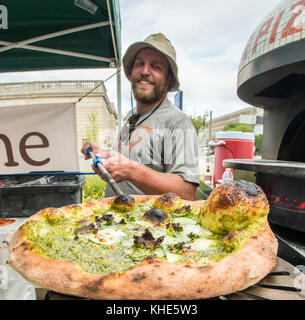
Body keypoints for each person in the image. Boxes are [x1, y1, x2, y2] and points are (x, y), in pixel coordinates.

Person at [82, 33, 200, 200]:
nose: (145, 71)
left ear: (169, 78)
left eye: (156, 66)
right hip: (116, 221)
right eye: (140, 64)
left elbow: (187, 194)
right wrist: (100, 153)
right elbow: (128, 159)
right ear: (131, 72)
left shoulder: (178, 123)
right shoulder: (131, 116)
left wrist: (132, 171)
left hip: (149, 224)